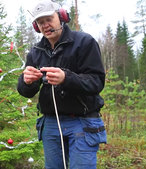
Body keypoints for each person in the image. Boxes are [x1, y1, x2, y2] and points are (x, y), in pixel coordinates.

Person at [17, 0, 107, 169]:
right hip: (50, 124)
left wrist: (66, 78)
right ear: (36, 26)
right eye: (40, 22)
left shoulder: (84, 43)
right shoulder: (36, 51)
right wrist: (27, 82)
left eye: (49, 19)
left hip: (82, 122)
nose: (45, 25)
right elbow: (25, 91)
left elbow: (96, 82)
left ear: (61, 17)